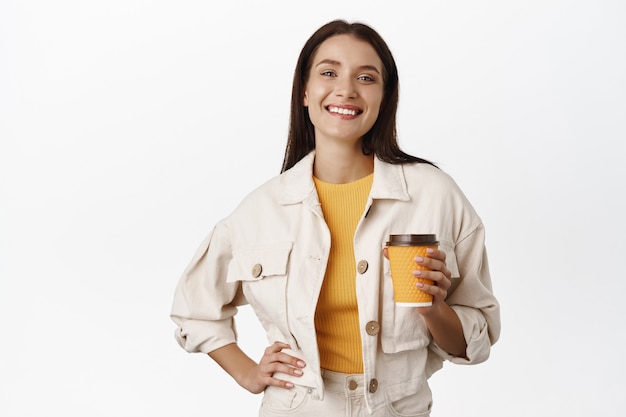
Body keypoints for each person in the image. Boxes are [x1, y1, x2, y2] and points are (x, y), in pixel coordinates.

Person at [170, 19, 500, 417]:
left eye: (366, 77)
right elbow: (195, 309)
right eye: (329, 72)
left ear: (384, 97)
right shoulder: (262, 209)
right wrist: (247, 373)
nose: (346, 89)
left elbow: (476, 341)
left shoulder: (434, 195)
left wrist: (433, 308)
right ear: (305, 92)